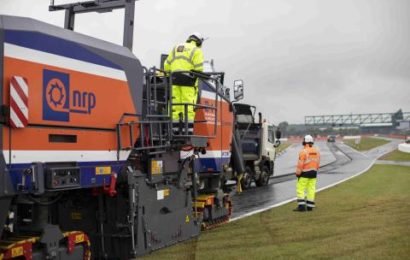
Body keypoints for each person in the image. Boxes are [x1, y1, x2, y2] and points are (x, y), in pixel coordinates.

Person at [164, 32, 205, 134]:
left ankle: (174, 131)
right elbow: (199, 69)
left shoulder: (175, 48)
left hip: (174, 80)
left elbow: (166, 66)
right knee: (188, 106)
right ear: (198, 41)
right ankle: (188, 131)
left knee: (175, 106)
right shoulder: (196, 50)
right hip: (188, 82)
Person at [294, 135, 321, 212]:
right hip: (314, 173)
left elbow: (300, 164)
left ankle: (301, 206)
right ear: (311, 142)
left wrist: (298, 173)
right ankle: (310, 206)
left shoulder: (303, 151)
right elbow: (318, 163)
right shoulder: (317, 151)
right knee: (311, 189)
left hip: (304, 173)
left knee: (300, 189)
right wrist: (315, 170)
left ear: (305, 142)